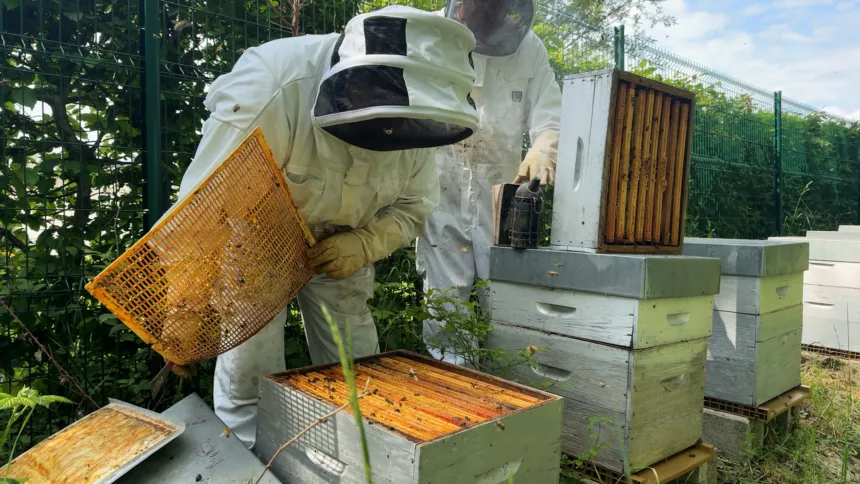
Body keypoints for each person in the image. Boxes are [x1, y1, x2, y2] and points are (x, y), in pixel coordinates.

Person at [173, 6, 479, 448]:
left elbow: (414, 207)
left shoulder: (417, 111)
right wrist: (184, 304)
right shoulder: (273, 84)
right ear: (354, 81)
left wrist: (364, 244)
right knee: (250, 370)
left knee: (355, 364)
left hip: (344, 244)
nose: (394, 128)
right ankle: (250, 464)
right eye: (386, 113)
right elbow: (205, 207)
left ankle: (357, 458)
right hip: (257, 237)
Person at [417, 0, 562, 366]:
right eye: (477, 7)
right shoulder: (427, 35)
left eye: (493, 8)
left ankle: (511, 388)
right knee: (445, 305)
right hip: (440, 189)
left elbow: (551, 116)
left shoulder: (530, 48)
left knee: (506, 300)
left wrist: (544, 150)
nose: (484, 16)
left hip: (501, 195)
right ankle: (457, 389)